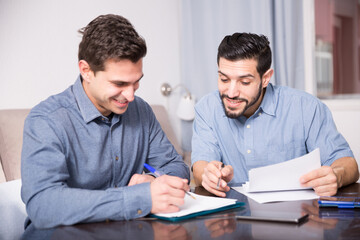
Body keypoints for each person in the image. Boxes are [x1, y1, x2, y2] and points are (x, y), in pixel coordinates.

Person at [21, 14, 190, 229]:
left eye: (136, 82)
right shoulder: (46, 120)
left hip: (129, 231)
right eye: (119, 83)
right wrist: (138, 198)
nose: (130, 95)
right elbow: (43, 205)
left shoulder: (141, 111)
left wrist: (154, 181)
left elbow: (176, 166)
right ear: (86, 71)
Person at [191, 32, 359, 197]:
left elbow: (348, 164)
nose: (232, 93)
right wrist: (208, 175)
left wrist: (336, 176)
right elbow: (201, 165)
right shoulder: (207, 108)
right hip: (233, 216)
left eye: (245, 82)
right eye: (224, 79)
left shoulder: (306, 108)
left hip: (297, 214)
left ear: (266, 78)